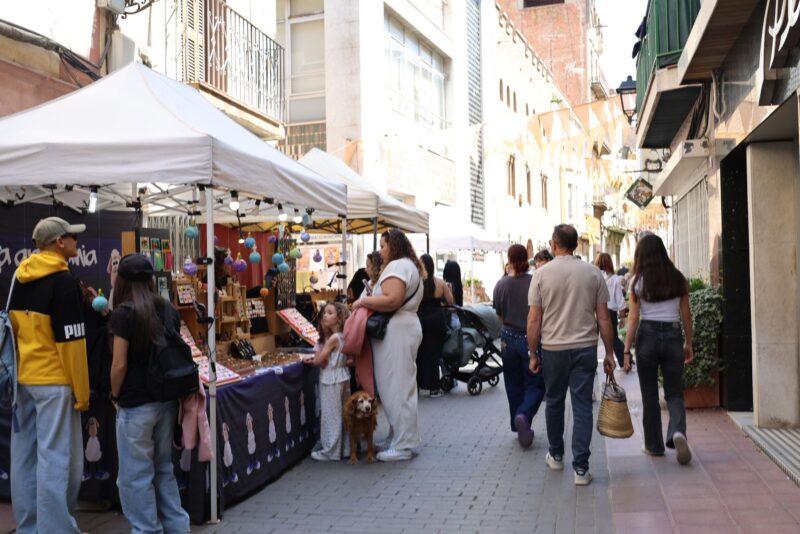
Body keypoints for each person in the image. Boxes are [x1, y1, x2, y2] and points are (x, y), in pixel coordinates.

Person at [8, 216, 90, 533]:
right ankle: (56, 529)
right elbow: (72, 344)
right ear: (59, 243)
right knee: (56, 459)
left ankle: (29, 527)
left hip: (23, 378)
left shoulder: (20, 276)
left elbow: (13, 329)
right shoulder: (64, 282)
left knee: (24, 458)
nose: (76, 242)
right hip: (55, 382)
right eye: (72, 237)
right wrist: (82, 394)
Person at [527, 224, 616, 486]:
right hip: (585, 348)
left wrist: (533, 353)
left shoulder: (541, 275)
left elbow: (533, 320)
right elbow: (604, 318)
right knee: (581, 407)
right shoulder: (593, 273)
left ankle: (556, 455)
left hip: (553, 349)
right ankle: (581, 469)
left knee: (554, 402)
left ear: (554, 244)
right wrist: (609, 353)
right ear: (576, 244)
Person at [108, 254, 190, 533]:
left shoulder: (123, 314)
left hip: (135, 404)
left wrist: (114, 395)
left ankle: (146, 529)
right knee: (163, 468)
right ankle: (178, 527)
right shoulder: (167, 309)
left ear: (123, 281)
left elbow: (119, 364)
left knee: (135, 476)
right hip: (165, 400)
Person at [353, 229, 424, 462]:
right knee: (396, 385)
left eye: (383, 245)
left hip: (398, 331)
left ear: (393, 246)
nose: (381, 250)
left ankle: (403, 444)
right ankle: (399, 436)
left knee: (397, 386)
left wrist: (363, 300)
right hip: (402, 329)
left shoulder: (398, 266)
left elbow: (392, 299)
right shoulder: (406, 265)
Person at [623, 234, 693, 465]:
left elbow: (633, 319)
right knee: (674, 391)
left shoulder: (637, 282)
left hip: (648, 337)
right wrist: (688, 343)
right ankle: (677, 431)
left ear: (641, 255)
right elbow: (686, 315)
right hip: (673, 335)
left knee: (650, 394)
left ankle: (654, 445)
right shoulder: (677, 278)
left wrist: (626, 350)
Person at [493, 244, 545, 448]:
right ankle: (524, 415)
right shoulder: (534, 282)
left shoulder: (501, 284)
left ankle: (519, 425)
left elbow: (498, 313)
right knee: (536, 382)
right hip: (530, 337)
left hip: (507, 337)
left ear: (509, 259)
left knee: (513, 384)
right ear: (527, 258)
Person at [305, 302, 351, 461]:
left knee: (331, 415)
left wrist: (315, 358)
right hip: (342, 375)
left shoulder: (333, 338)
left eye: (330, 313)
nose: (325, 315)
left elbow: (320, 361)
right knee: (342, 413)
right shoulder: (343, 336)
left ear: (339, 318)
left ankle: (331, 450)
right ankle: (344, 448)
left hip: (331, 378)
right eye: (324, 312)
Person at [416, 254, 454, 398]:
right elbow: (450, 300)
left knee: (420, 354)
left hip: (420, 320)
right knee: (434, 355)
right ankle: (434, 389)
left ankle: (419, 387)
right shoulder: (440, 283)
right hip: (436, 320)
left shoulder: (417, 283)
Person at [594, 253, 626, 368]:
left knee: (592, 340)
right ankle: (624, 361)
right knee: (613, 339)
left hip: (595, 311)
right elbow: (620, 300)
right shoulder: (616, 280)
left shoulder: (595, 278)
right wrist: (622, 317)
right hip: (610, 312)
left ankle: (592, 366)